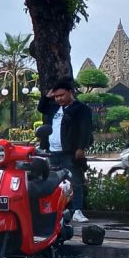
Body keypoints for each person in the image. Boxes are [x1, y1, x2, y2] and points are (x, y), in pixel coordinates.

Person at [38, 77, 93, 223]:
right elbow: (41, 108)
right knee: (51, 182)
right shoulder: (53, 107)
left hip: (70, 151)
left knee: (75, 181)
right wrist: (47, 96)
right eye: (56, 96)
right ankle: (54, 210)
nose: (59, 99)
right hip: (51, 152)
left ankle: (77, 211)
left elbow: (86, 129)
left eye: (61, 95)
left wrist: (81, 148)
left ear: (70, 92)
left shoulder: (81, 109)